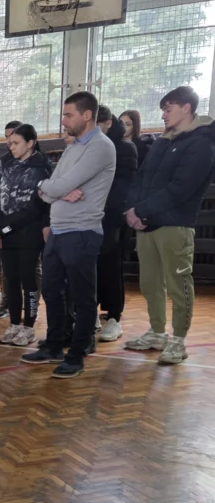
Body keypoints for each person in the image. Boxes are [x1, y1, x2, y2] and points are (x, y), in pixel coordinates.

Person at [21, 92, 116, 379]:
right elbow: (48, 187)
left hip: (82, 232)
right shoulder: (73, 147)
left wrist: (53, 189)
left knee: (82, 298)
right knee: (52, 291)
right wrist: (53, 189)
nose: (63, 121)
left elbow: (59, 185)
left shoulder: (101, 147)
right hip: (58, 230)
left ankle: (76, 356)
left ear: (87, 115)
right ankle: (54, 346)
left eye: (68, 115)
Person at [125, 86, 215, 365]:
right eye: (163, 110)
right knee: (150, 283)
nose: (163, 115)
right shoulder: (162, 142)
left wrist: (141, 210)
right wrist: (133, 210)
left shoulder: (201, 143)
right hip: (146, 223)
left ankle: (178, 340)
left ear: (186, 108)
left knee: (179, 285)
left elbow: (181, 189)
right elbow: (141, 178)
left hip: (175, 226)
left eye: (168, 109)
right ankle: (156, 333)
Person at [0, 123, 52, 348]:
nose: (11, 147)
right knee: (11, 281)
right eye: (10, 143)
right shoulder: (6, 164)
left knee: (28, 281)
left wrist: (3, 229)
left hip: (28, 235)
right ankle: (14, 324)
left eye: (16, 143)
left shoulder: (42, 167)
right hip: (7, 234)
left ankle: (28, 327)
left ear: (30, 143)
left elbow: (34, 209)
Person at [96, 112, 137, 343]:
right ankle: (91, 313)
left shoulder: (124, 148)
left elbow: (123, 188)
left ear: (107, 123)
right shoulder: (91, 146)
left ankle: (114, 317)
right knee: (91, 267)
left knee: (111, 268)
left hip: (112, 219)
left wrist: (107, 212)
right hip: (91, 217)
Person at [0, 120, 23, 319]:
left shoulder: (37, 161)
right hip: (6, 224)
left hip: (27, 225)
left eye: (13, 137)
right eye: (6, 137)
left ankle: (30, 307)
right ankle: (6, 303)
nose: (9, 141)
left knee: (31, 270)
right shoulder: (3, 162)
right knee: (7, 268)